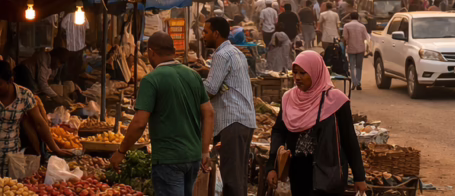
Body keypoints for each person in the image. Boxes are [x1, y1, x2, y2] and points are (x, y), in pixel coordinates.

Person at [111, 33, 214, 195]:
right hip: (193, 157)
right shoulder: (193, 75)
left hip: (168, 159)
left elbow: (139, 123)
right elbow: (209, 113)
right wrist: (205, 150)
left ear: (151, 52)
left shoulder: (151, 80)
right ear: (173, 51)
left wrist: (121, 151)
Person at [266, 52, 367, 195]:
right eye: (295, 73)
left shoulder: (336, 100)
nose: (297, 78)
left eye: (303, 73)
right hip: (299, 174)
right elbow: (278, 131)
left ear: (316, 72)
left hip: (328, 174)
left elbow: (349, 138)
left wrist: (359, 176)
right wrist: (272, 166)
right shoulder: (289, 99)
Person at [201, 17, 257, 196]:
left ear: (216, 34)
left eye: (206, 32)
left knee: (231, 179)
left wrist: (191, 81)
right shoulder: (236, 52)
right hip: (244, 120)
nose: (203, 36)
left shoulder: (221, 55)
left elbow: (210, 89)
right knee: (238, 178)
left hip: (232, 122)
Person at [0, 60, 73, 175]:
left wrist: (55, 148)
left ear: (10, 80)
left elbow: (40, 124)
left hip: (11, 157)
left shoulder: (24, 95)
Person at [342, 12, 370, 90]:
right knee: (359, 66)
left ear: (350, 17)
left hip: (351, 48)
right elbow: (365, 37)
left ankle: (354, 82)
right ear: (358, 18)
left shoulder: (346, 26)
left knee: (352, 66)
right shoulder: (362, 26)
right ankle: (358, 82)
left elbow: (345, 37)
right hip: (360, 48)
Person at [60, 11, 89, 82]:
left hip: (70, 47)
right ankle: (74, 83)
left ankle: (71, 83)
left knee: (71, 69)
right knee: (77, 69)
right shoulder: (84, 17)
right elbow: (87, 28)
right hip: (80, 47)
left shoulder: (68, 17)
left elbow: (62, 27)